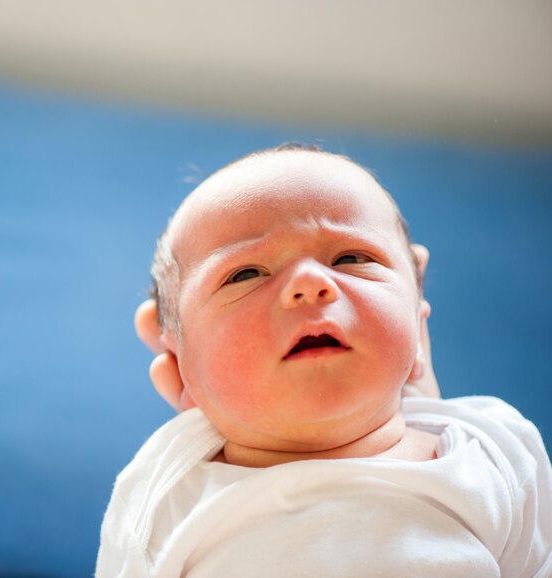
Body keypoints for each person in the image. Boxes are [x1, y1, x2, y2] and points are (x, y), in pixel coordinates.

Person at [96, 145, 552, 577]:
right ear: (181, 366)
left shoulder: (491, 452)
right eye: (246, 273)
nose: (311, 282)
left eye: (352, 257)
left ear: (418, 317)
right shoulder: (167, 490)